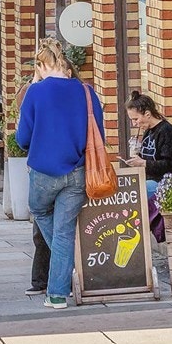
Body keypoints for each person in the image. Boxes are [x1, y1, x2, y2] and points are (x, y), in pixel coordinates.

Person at [15, 37, 104, 310]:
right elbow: (99, 135)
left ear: (40, 65)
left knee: (40, 212)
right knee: (64, 232)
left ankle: (65, 270)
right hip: (78, 170)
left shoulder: (36, 92)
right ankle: (56, 295)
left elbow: (22, 139)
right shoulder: (87, 92)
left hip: (43, 171)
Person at [125, 91, 172, 205]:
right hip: (149, 179)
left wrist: (144, 163)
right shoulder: (148, 131)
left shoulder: (167, 132)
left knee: (132, 193)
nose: (134, 124)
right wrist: (137, 157)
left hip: (165, 182)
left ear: (147, 114)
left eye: (136, 119)